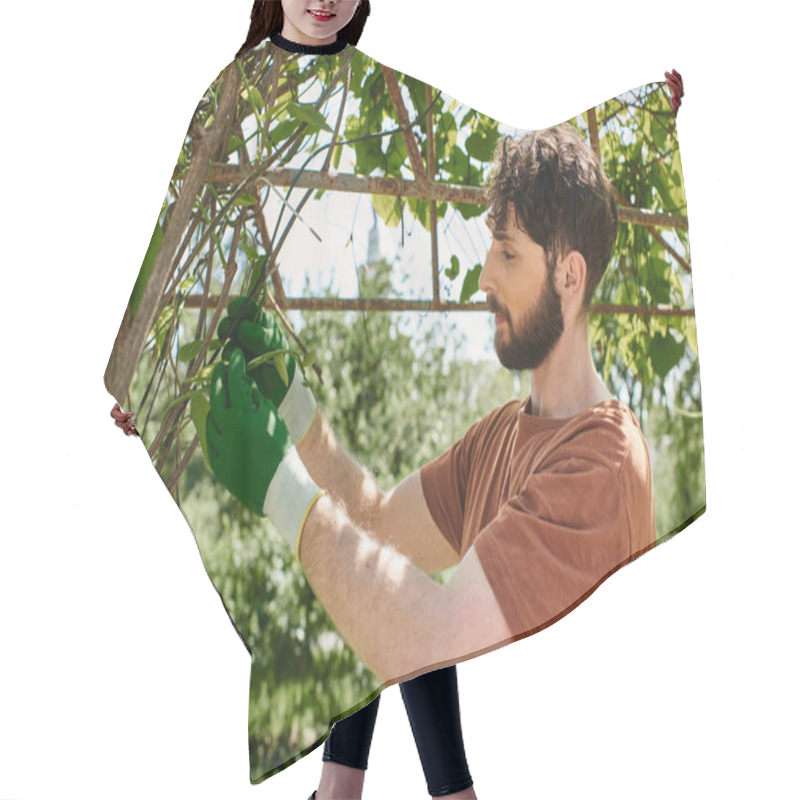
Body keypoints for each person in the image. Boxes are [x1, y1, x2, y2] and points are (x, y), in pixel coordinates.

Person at [209, 120, 657, 684]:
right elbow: (378, 523)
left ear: (569, 276)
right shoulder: (499, 435)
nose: (484, 278)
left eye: (509, 255)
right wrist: (294, 405)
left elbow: (436, 641)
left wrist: (281, 489)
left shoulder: (602, 462)